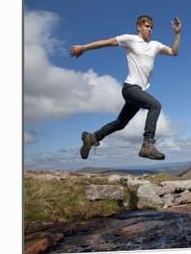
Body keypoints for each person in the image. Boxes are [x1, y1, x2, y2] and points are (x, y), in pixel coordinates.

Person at [70, 15, 181, 160]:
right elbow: (107, 42)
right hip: (130, 88)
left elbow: (174, 52)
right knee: (155, 106)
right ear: (138, 27)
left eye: (152, 27)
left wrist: (177, 34)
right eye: (147, 26)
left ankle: (92, 138)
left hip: (138, 91)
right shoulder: (130, 39)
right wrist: (83, 48)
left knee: (120, 123)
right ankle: (147, 145)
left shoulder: (155, 45)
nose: (150, 29)